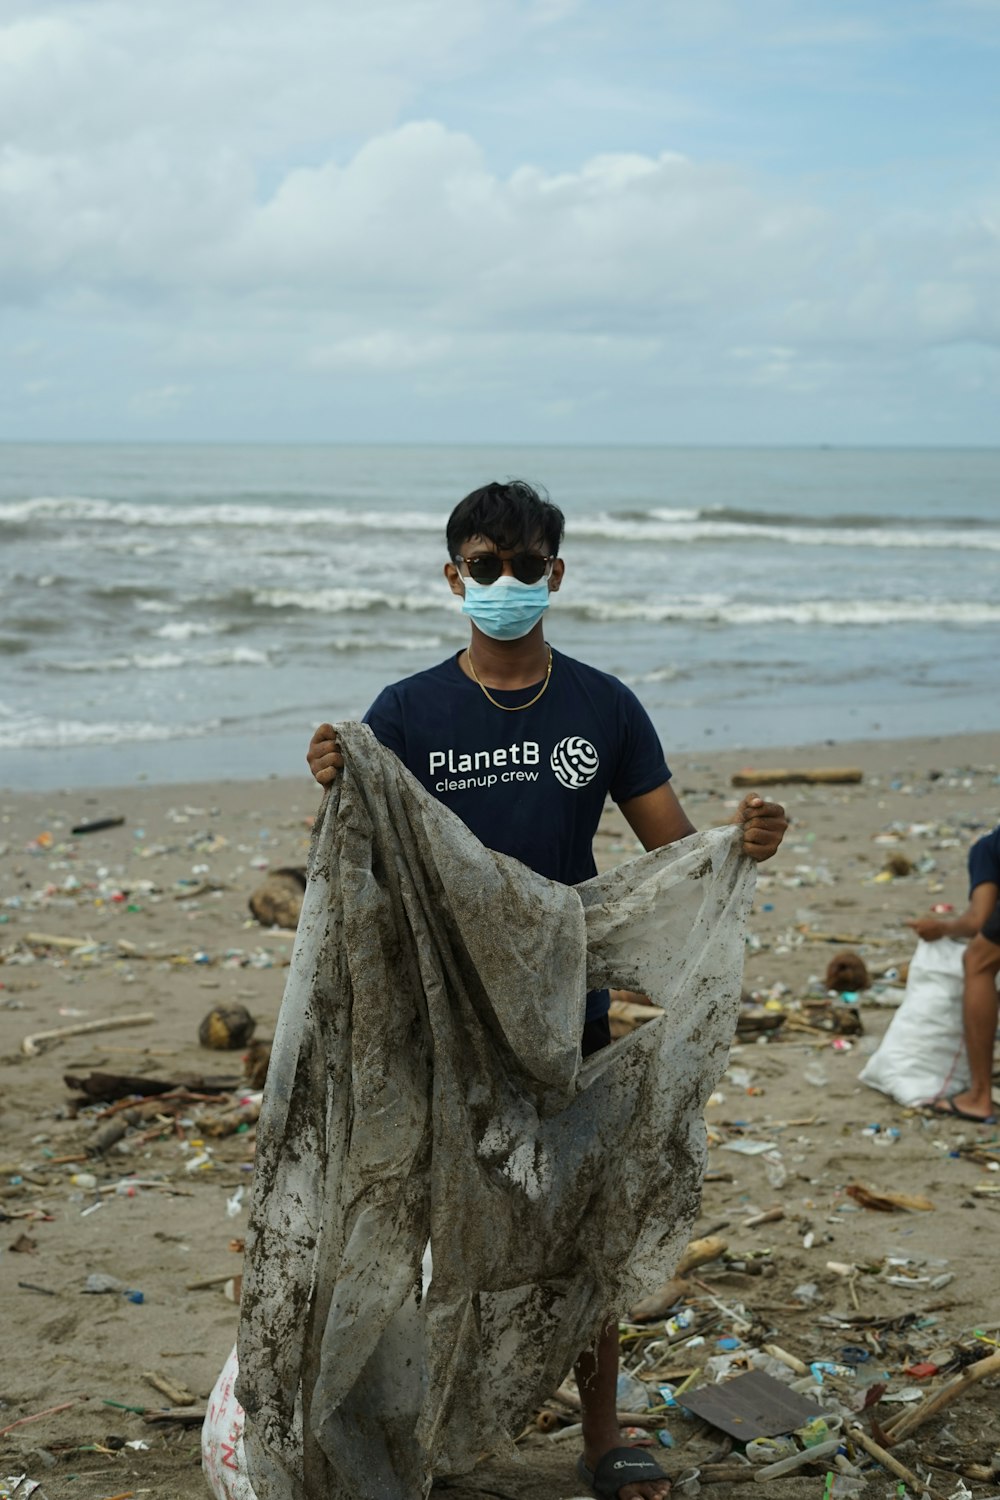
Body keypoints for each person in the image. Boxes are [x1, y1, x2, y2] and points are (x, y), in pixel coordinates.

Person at [307, 479, 788, 1500]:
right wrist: (338, 781)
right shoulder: (407, 710)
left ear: (555, 575)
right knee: (436, 1227)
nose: (507, 582)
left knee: (581, 1224)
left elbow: (674, 855)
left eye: (527, 567)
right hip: (446, 1016)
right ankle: (424, 1429)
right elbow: (374, 869)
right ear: (453, 577)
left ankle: (603, 1434)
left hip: (569, 1014)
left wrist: (742, 847)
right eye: (486, 566)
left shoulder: (602, 707)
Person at [908, 825, 1000, 1125]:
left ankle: (979, 1096)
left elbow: (978, 919)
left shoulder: (987, 848)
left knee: (979, 959)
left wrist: (943, 928)